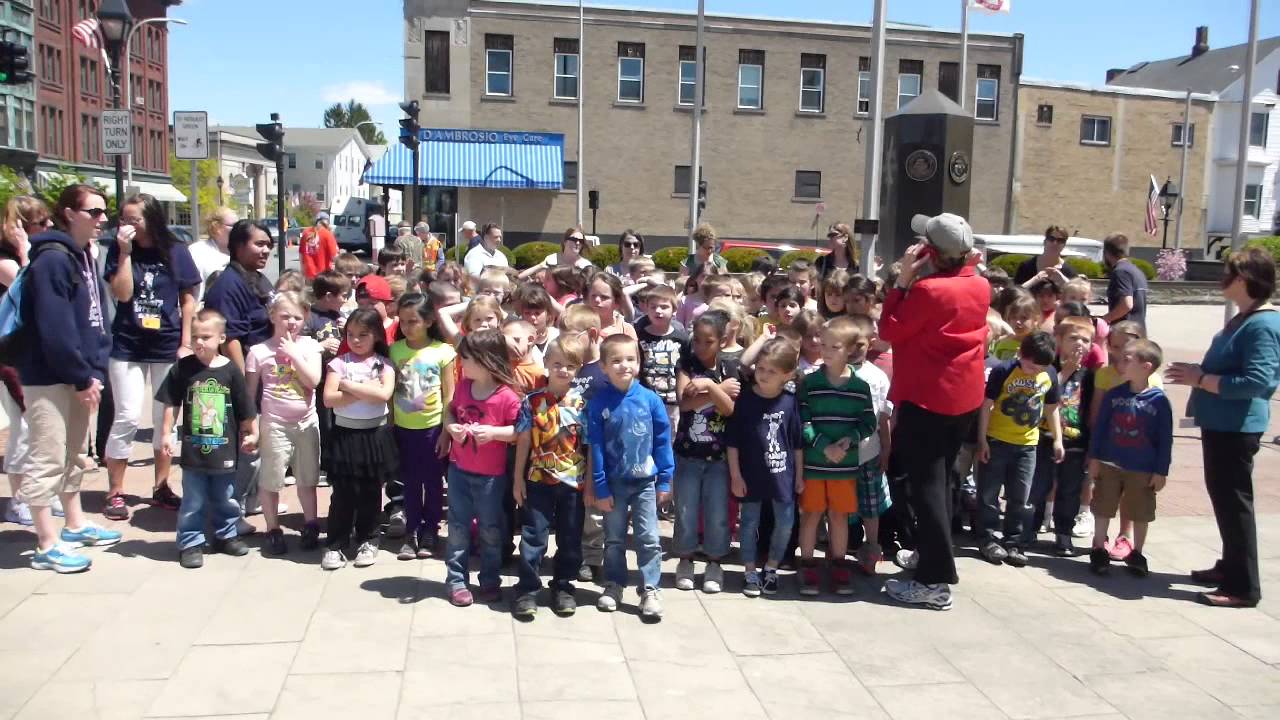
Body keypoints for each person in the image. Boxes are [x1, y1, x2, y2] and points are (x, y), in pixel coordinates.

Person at [879, 213, 989, 611]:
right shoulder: (979, 283)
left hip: (930, 398)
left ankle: (935, 581)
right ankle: (932, 553)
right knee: (941, 481)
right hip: (963, 398)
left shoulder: (930, 291)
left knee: (926, 487)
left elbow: (889, 329)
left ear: (932, 252)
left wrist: (904, 279)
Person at [1167, 248, 1280, 608]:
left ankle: (1243, 587)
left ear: (1244, 279)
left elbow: (1256, 381)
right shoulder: (1246, 318)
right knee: (1225, 500)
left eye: (1228, 273)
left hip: (1236, 426)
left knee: (1235, 504)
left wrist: (1202, 379)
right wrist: (1199, 376)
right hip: (1222, 424)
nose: (1222, 279)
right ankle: (1229, 565)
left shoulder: (1263, 324)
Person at [17, 184, 119, 572]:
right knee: (46, 457)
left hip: (79, 375)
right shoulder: (52, 261)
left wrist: (92, 371)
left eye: (103, 211)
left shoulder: (82, 257)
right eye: (94, 212)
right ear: (69, 214)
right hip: (49, 377)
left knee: (73, 454)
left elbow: (92, 319)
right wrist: (81, 376)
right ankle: (46, 543)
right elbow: (55, 329)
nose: (102, 219)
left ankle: (74, 523)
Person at [101, 193, 201, 521]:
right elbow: (123, 294)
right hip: (128, 344)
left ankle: (162, 486)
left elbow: (189, 298)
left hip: (166, 343)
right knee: (128, 415)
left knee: (165, 419)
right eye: (124, 219)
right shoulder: (118, 250)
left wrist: (186, 341)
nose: (127, 225)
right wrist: (126, 253)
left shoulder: (175, 251)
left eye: (135, 219)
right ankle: (115, 490)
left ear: (151, 219)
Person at [158, 308, 257, 568]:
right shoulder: (183, 368)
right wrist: (167, 433)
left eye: (205, 337)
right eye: (195, 337)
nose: (199, 342)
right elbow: (171, 402)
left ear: (221, 338)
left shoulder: (231, 371)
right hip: (194, 452)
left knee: (227, 496)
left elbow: (245, 406)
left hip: (225, 450)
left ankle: (226, 535)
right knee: (193, 499)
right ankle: (190, 542)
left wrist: (251, 433)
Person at [588, 334, 674, 620]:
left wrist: (665, 479)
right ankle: (613, 584)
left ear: (639, 362)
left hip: (645, 483)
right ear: (603, 366)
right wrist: (600, 487)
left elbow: (662, 440)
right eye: (616, 360)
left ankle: (650, 588)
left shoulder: (650, 400)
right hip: (613, 483)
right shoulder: (599, 403)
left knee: (648, 537)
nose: (624, 366)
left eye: (630, 359)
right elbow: (596, 447)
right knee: (613, 538)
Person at [796, 316, 878, 596]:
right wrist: (822, 446)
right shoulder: (809, 383)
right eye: (824, 345)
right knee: (811, 515)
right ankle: (807, 564)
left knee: (839, 515)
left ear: (850, 350)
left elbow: (868, 423)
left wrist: (849, 440)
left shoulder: (860, 388)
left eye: (834, 346)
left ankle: (839, 564)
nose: (826, 351)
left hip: (844, 467)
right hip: (815, 465)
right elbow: (803, 421)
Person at [441, 329, 523, 607]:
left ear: (486, 360)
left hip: (491, 476)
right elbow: (450, 409)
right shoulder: (464, 386)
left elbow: (518, 431)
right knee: (458, 528)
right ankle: (456, 580)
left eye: (466, 357)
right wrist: (451, 426)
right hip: (459, 470)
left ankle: (490, 580)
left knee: (490, 529)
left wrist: (494, 433)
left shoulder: (507, 397)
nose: (461, 362)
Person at [512, 335, 589, 618]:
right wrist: (517, 479)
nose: (563, 370)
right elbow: (522, 442)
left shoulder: (583, 404)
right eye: (557, 364)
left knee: (570, 538)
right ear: (546, 363)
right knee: (534, 536)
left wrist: (591, 483)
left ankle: (564, 586)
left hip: (574, 484)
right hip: (537, 481)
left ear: (578, 368)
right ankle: (527, 589)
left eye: (570, 365)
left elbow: (589, 446)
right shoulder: (531, 402)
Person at [976, 331, 1064, 568]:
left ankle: (1013, 541)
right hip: (997, 440)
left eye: (1042, 368)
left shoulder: (1050, 374)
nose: (1037, 372)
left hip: (1027, 445)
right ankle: (987, 537)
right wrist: (982, 440)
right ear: (1021, 355)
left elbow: (1052, 407)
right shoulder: (1003, 371)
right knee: (988, 494)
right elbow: (986, 406)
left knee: (1020, 496)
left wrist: (1057, 439)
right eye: (1033, 366)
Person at [246, 292, 323, 555]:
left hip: (306, 423)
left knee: (308, 477)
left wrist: (293, 354)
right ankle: (272, 528)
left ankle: (311, 523)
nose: (291, 322)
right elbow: (250, 394)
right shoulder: (258, 352)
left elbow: (313, 381)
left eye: (298, 317)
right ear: (272, 316)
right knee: (272, 479)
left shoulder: (311, 346)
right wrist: (252, 428)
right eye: (285, 316)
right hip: (274, 423)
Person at [321, 309, 398, 570]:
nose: (356, 340)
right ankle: (336, 543)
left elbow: (384, 394)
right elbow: (329, 398)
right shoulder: (338, 363)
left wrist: (349, 386)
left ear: (376, 335)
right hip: (345, 433)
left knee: (370, 491)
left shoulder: (384, 364)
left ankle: (369, 538)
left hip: (374, 434)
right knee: (343, 493)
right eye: (351, 334)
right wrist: (367, 390)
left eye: (363, 334)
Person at [1088, 339, 1172, 579]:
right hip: (1109, 462)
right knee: (1103, 505)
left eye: (1128, 359)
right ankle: (1098, 548)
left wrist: (1161, 470)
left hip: (1142, 467)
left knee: (1140, 510)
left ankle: (1137, 552)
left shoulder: (1158, 401)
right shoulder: (1114, 395)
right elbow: (1101, 428)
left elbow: (1165, 439)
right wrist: (1094, 457)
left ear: (1146, 367)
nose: (1121, 362)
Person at [729, 337, 803, 597]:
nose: (763, 375)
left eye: (772, 371)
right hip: (751, 474)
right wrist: (735, 475)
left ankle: (771, 568)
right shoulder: (746, 400)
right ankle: (750, 570)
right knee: (748, 523)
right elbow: (733, 442)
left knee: (786, 522)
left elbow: (796, 442)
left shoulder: (790, 401)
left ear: (787, 374)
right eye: (761, 368)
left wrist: (799, 476)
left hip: (783, 475)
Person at [672, 310, 738, 594]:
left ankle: (714, 562)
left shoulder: (730, 368)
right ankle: (685, 560)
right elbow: (683, 402)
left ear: (722, 341)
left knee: (717, 513)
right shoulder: (685, 364)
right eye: (696, 340)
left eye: (707, 341)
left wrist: (710, 385)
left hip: (719, 457)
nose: (700, 346)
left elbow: (730, 408)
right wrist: (717, 391)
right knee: (685, 510)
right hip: (688, 453)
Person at [390, 292, 456, 560]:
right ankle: (411, 531)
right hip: (404, 428)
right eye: (403, 321)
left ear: (428, 321)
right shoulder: (395, 350)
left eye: (413, 321)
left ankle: (430, 529)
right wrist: (391, 425)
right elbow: (390, 390)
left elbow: (449, 394)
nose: (407, 326)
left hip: (432, 428)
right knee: (410, 483)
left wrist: (445, 430)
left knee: (432, 482)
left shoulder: (443, 351)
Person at [1, 196, 49, 526]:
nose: (47, 229)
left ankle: (36, 495)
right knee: (25, 425)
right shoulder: (7, 260)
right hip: (11, 355)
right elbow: (28, 286)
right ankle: (18, 499)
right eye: (41, 224)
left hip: (32, 352)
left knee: (38, 426)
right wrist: (23, 251)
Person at [204, 220, 275, 372]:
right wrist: (243, 385)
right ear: (239, 246)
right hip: (248, 373)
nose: (266, 250)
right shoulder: (228, 285)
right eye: (260, 244)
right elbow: (229, 339)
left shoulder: (257, 277)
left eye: (269, 245)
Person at [635, 284, 686, 432]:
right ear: (647, 309)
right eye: (653, 307)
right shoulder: (639, 336)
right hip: (645, 399)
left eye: (664, 307)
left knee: (669, 438)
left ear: (674, 310)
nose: (658, 311)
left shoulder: (681, 339)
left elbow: (684, 370)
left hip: (671, 401)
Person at [1101, 233, 1148, 329]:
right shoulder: (1136, 271)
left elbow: (1126, 305)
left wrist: (1104, 319)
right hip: (1138, 330)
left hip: (1124, 332)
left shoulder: (1120, 272)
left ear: (1107, 253)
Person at [189, 207, 236, 302]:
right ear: (216, 227)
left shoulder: (242, 252)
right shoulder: (197, 250)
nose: (238, 229)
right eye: (233, 225)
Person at [1013, 226, 1079, 287]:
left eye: (1060, 240)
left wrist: (1063, 280)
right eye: (1051, 239)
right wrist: (1036, 279)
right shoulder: (1026, 267)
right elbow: (1016, 293)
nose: (1055, 243)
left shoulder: (1069, 272)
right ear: (1045, 242)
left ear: (1064, 245)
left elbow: (1077, 294)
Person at [520, 227, 595, 279]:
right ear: (565, 242)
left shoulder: (585, 265)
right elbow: (521, 277)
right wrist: (540, 265)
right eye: (574, 239)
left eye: (581, 241)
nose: (578, 243)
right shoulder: (552, 260)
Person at [300, 212, 338, 280]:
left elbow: (301, 254)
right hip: (324, 276)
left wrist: (302, 270)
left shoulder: (306, 233)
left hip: (309, 274)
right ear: (326, 222)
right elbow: (334, 256)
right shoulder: (328, 234)